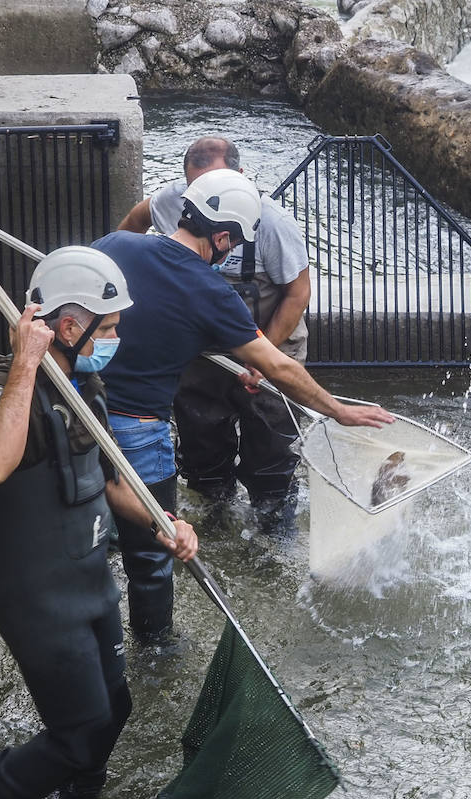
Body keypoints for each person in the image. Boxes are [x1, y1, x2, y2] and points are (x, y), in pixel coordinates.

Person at [0, 246, 198, 799]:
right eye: (106, 327)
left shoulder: (89, 385)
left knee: (115, 709)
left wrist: (165, 525)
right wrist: (26, 365)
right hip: (37, 595)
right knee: (77, 732)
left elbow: (109, 482)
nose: (114, 337)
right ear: (67, 325)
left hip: (87, 579)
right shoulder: (5, 387)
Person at [95, 168, 393, 644]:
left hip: (78, 413)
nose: (230, 253)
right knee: (152, 554)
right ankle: (156, 648)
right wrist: (337, 409)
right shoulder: (210, 293)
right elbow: (279, 368)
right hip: (138, 435)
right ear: (221, 237)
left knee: (85, 533)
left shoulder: (113, 246)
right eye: (231, 244)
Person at [119, 137, 311, 524]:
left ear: (239, 177)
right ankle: (214, 510)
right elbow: (135, 224)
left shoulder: (272, 222)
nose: (208, 198)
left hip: (269, 337)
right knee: (201, 442)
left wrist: (264, 358)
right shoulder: (174, 199)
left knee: (271, 450)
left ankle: (272, 522)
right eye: (197, 189)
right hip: (201, 346)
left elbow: (298, 293)